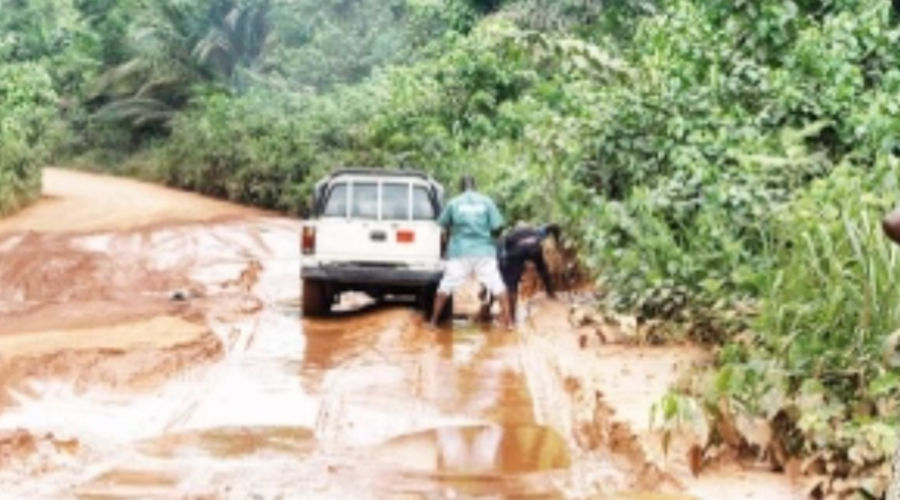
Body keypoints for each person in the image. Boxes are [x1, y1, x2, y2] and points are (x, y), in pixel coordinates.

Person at [429, 175, 512, 330]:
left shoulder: (454, 202)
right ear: (475, 186)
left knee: (445, 287)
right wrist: (490, 238)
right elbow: (498, 227)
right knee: (498, 285)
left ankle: (433, 322)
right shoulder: (487, 202)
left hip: (459, 251)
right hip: (484, 251)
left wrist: (445, 247)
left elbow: (443, 226)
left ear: (461, 187)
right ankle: (509, 323)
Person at [479, 223, 561, 321]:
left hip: (515, 253)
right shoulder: (536, 231)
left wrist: (484, 288)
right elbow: (554, 226)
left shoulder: (504, 239)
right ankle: (551, 293)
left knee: (511, 285)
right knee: (542, 267)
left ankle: (510, 318)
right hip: (534, 248)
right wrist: (557, 241)